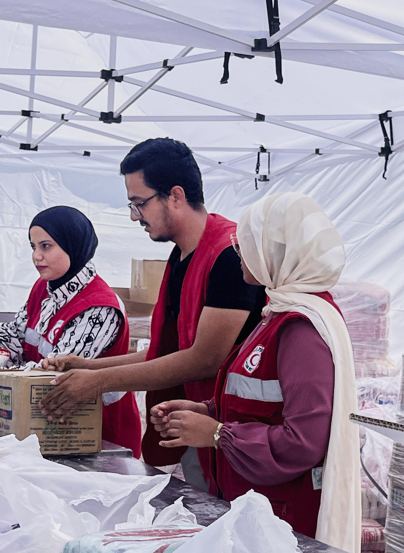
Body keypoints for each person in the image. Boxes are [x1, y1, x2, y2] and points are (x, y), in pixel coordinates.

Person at [40, 138, 265, 482]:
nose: (134, 216)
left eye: (139, 203)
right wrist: (89, 365)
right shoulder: (180, 256)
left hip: (235, 438)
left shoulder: (227, 255)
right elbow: (167, 353)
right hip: (194, 430)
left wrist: (97, 380)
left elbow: (204, 358)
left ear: (174, 196)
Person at [148, 192, 361, 553]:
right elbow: (263, 400)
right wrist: (208, 412)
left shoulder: (301, 329)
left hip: (283, 527)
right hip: (259, 512)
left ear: (277, 252)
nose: (238, 252)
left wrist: (218, 434)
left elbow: (303, 441)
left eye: (246, 243)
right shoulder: (276, 313)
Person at [0, 206, 142, 456]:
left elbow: (52, 376)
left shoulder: (98, 308)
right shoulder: (45, 288)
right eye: (33, 247)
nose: (36, 256)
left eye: (46, 246)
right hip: (47, 430)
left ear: (72, 244)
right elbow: (21, 333)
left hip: (98, 439)